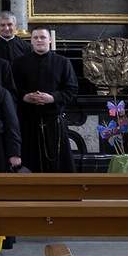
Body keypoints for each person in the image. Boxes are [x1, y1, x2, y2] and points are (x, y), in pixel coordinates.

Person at [12, 27, 78, 173]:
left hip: (53, 123)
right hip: (28, 124)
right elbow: (12, 89)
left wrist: (52, 98)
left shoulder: (63, 62)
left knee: (58, 166)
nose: (39, 40)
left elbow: (72, 90)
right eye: (35, 38)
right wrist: (25, 96)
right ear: (31, 41)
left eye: (42, 37)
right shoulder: (19, 63)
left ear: (50, 40)